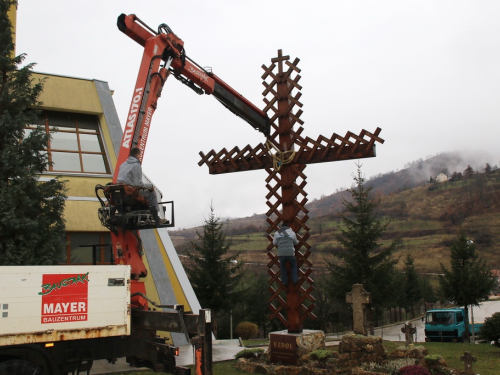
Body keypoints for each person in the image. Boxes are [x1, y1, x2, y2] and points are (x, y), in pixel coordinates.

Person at [117, 147, 161, 224]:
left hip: (121, 192)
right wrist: (150, 186)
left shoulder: (122, 165)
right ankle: (156, 217)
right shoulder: (136, 166)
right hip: (130, 193)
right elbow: (138, 184)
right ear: (138, 156)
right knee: (152, 193)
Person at [273, 222, 299, 287]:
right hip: (290, 253)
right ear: (288, 226)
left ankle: (285, 282)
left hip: (281, 253)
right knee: (293, 265)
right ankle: (295, 280)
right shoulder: (292, 233)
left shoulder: (277, 233)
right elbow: (296, 243)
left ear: (282, 227)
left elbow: (274, 243)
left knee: (283, 267)